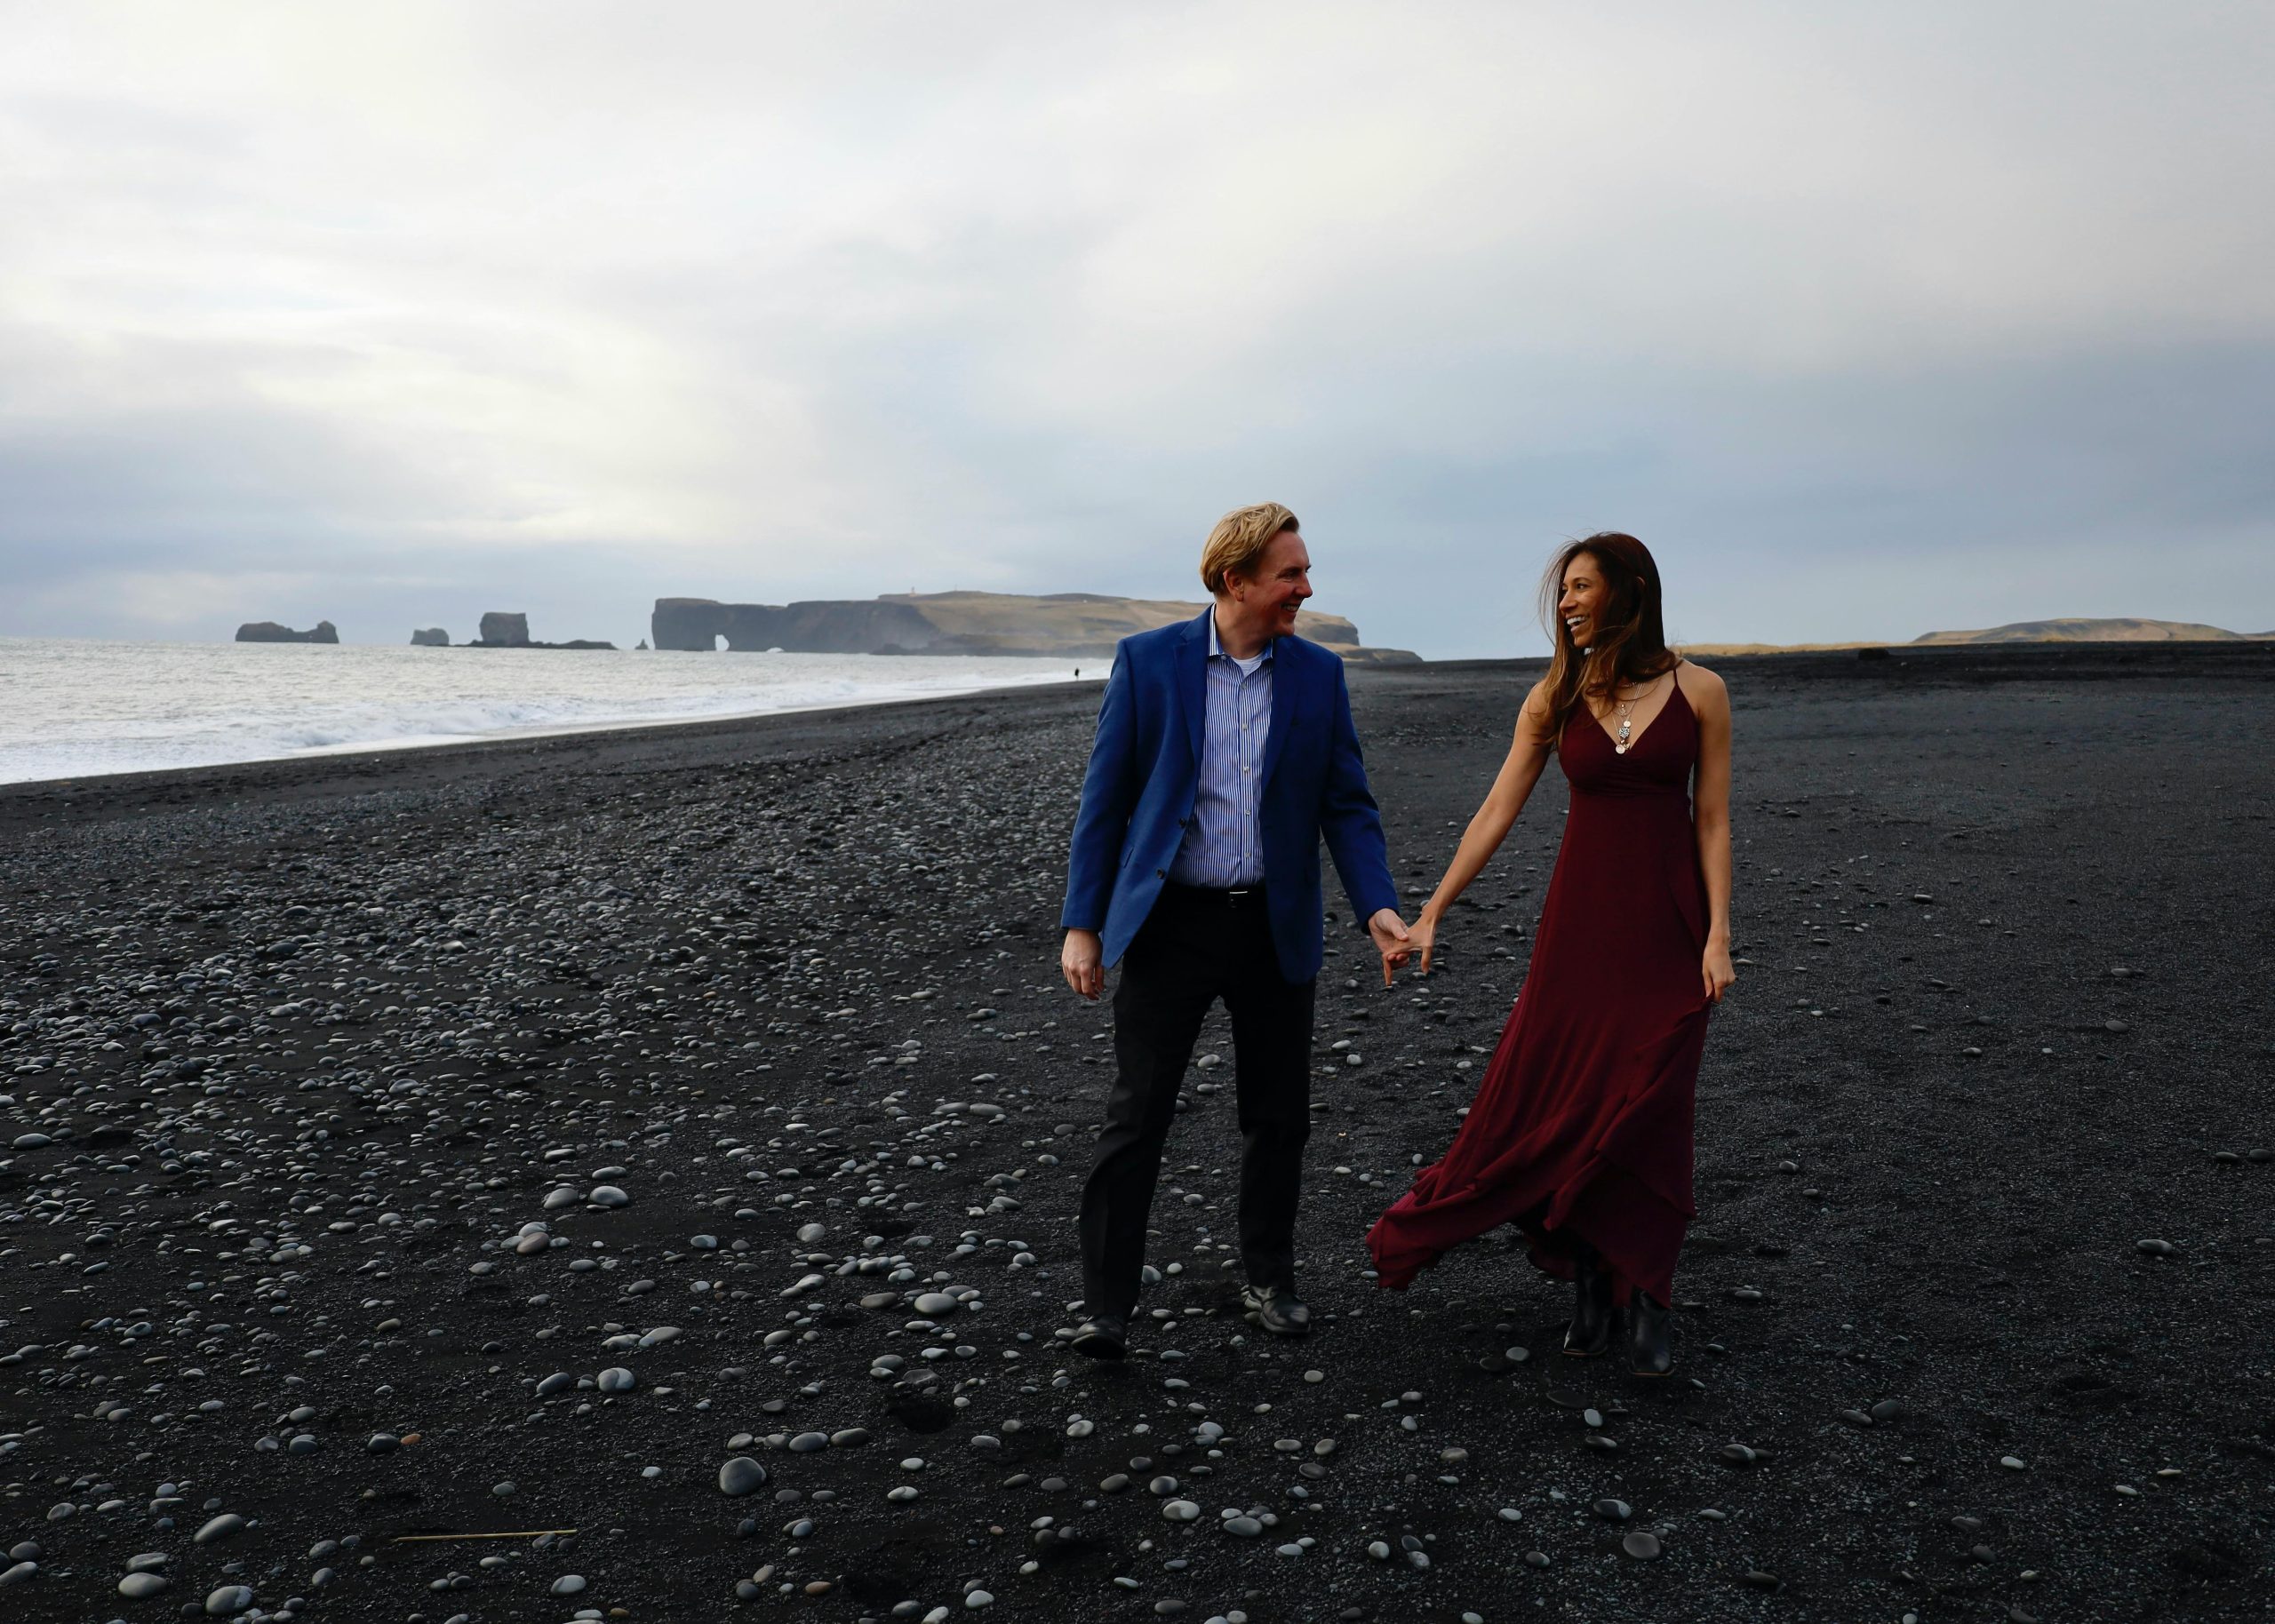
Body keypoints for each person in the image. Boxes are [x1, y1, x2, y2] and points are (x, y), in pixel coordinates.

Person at [1364, 533, 1734, 1376]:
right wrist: (1431, 913)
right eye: (1561, 591)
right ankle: (1591, 1286)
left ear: (1630, 589)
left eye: (1578, 587)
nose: (1563, 603)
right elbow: (1496, 809)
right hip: (1580, 931)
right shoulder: (1553, 697)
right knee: (1569, 1097)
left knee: (1652, 1101)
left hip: (1670, 928)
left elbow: (1711, 820)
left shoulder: (1702, 690)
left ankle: (1650, 1294)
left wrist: (1718, 935)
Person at [1059, 502, 1411, 1359]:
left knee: (1279, 1117)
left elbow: (1346, 806)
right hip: (1170, 925)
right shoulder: (1149, 663)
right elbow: (1104, 804)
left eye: (1303, 571)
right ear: (1235, 580)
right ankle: (1107, 1306)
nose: (1305, 587)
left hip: (1272, 925)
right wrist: (1083, 925)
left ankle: (1270, 1281)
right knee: (1137, 1115)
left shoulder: (1318, 677)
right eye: (1290, 574)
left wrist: (1379, 909)